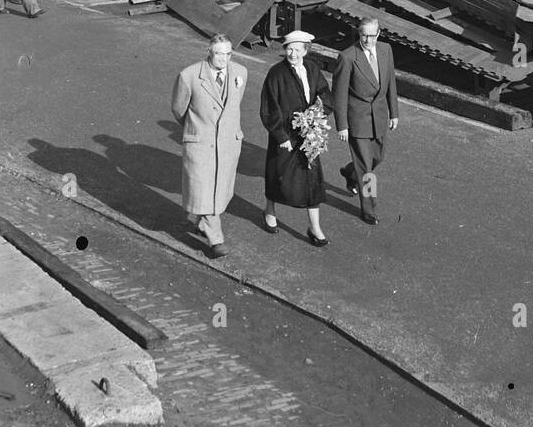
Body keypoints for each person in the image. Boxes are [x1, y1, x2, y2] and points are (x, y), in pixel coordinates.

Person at [171, 36, 247, 259]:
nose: (224, 58)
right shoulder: (189, 75)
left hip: (228, 143)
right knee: (202, 185)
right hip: (201, 142)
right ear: (209, 52)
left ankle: (202, 222)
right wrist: (198, 127)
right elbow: (178, 110)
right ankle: (216, 239)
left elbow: (233, 105)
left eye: (228, 53)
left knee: (219, 189)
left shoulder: (241, 73)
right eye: (219, 53)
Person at [259, 30, 333, 245]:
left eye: (297, 50)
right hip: (285, 135)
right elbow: (268, 107)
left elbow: (325, 94)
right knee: (278, 175)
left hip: (308, 135)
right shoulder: (276, 73)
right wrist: (280, 135)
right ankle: (270, 211)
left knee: (312, 180)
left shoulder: (312, 68)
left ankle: (315, 227)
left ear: (305, 50)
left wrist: (318, 114)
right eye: (289, 49)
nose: (292, 53)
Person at [332, 17, 399, 226]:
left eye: (372, 35)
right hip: (358, 120)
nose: (368, 40)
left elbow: (391, 83)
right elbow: (339, 93)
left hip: (379, 116)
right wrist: (342, 125)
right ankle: (368, 207)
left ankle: (350, 172)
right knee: (366, 168)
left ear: (378, 34)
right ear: (358, 34)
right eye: (364, 35)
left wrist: (394, 112)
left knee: (377, 158)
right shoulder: (348, 57)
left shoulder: (386, 50)